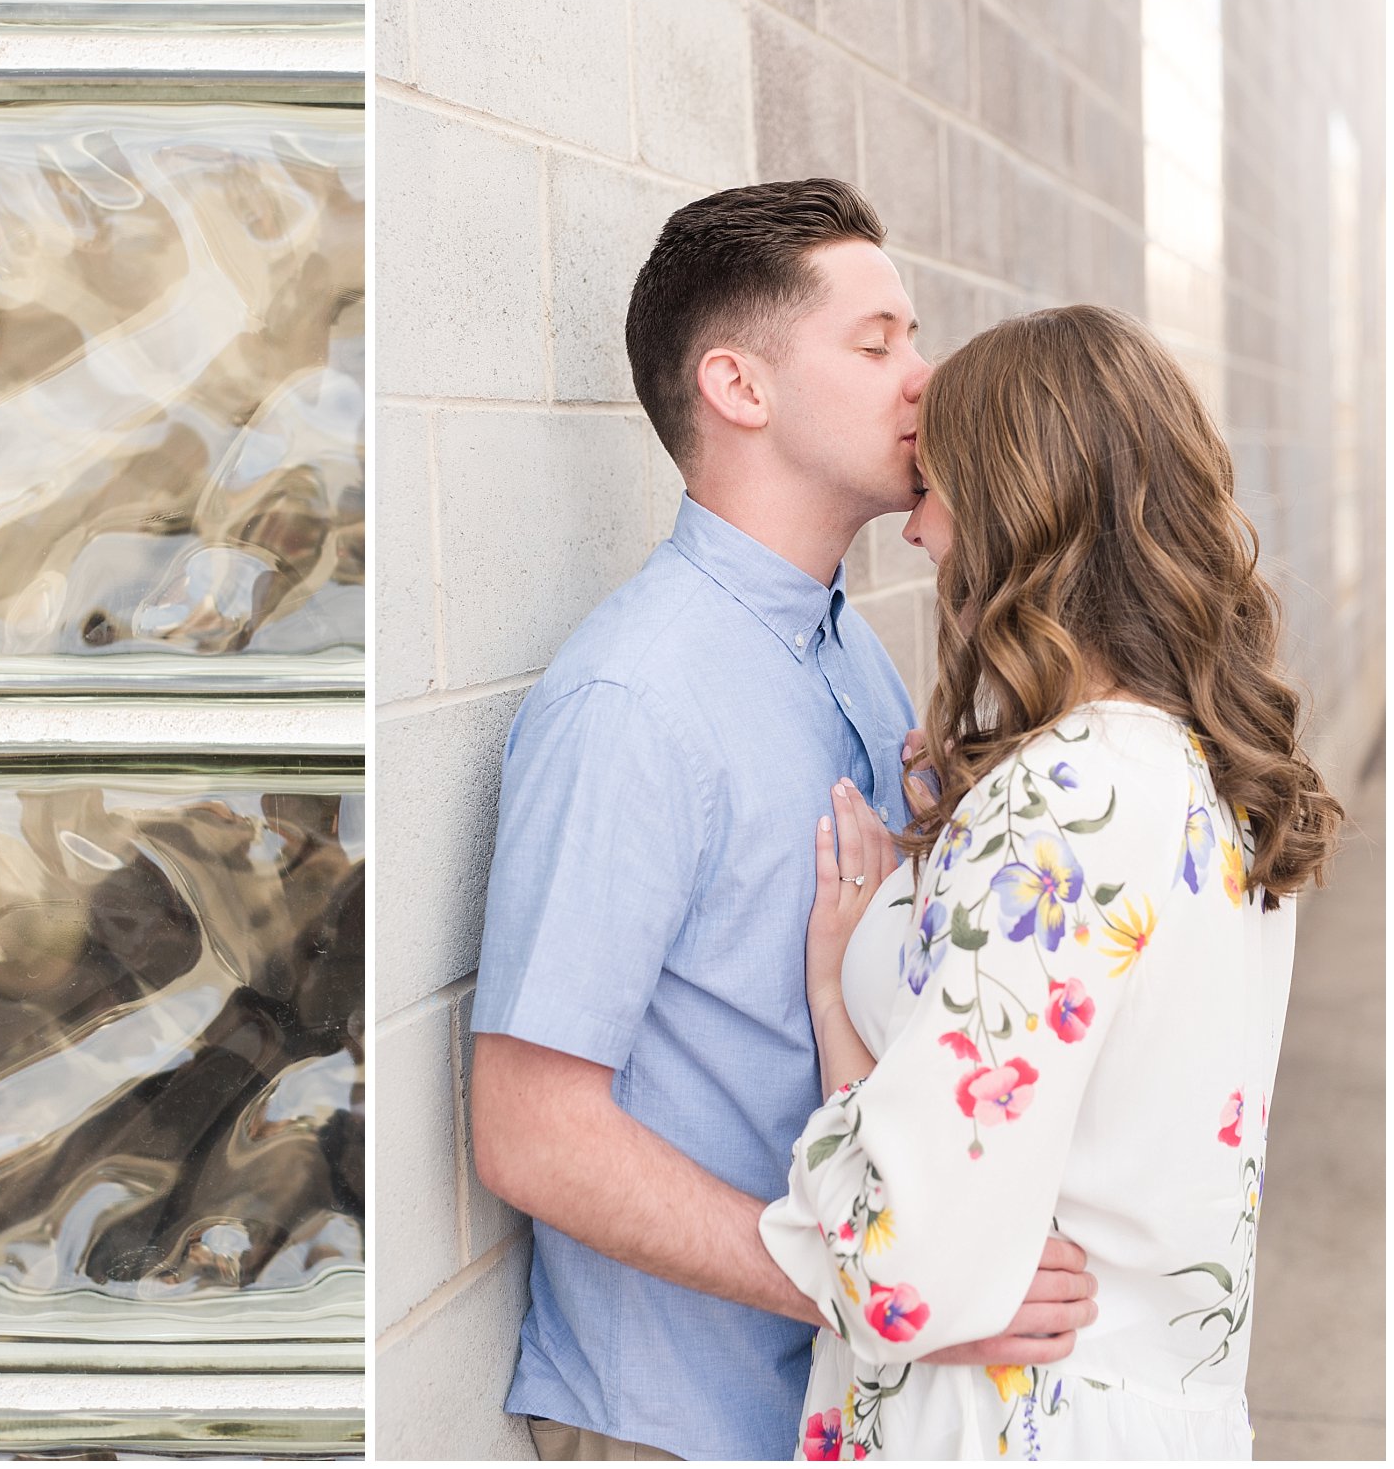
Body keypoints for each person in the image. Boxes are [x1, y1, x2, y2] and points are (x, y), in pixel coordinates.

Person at [469, 180, 1098, 1463]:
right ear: (737, 388)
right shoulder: (630, 704)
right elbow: (531, 1133)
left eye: (911, 339)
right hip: (682, 1419)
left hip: (842, 1404)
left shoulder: (853, 655)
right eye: (874, 345)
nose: (921, 379)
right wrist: (886, 1288)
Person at [758, 303, 1341, 1458]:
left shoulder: (1067, 797)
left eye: (935, 486)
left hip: (1011, 1423)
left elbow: (898, 1277)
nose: (915, 528)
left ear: (1018, 507)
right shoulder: (1200, 767)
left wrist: (832, 999)